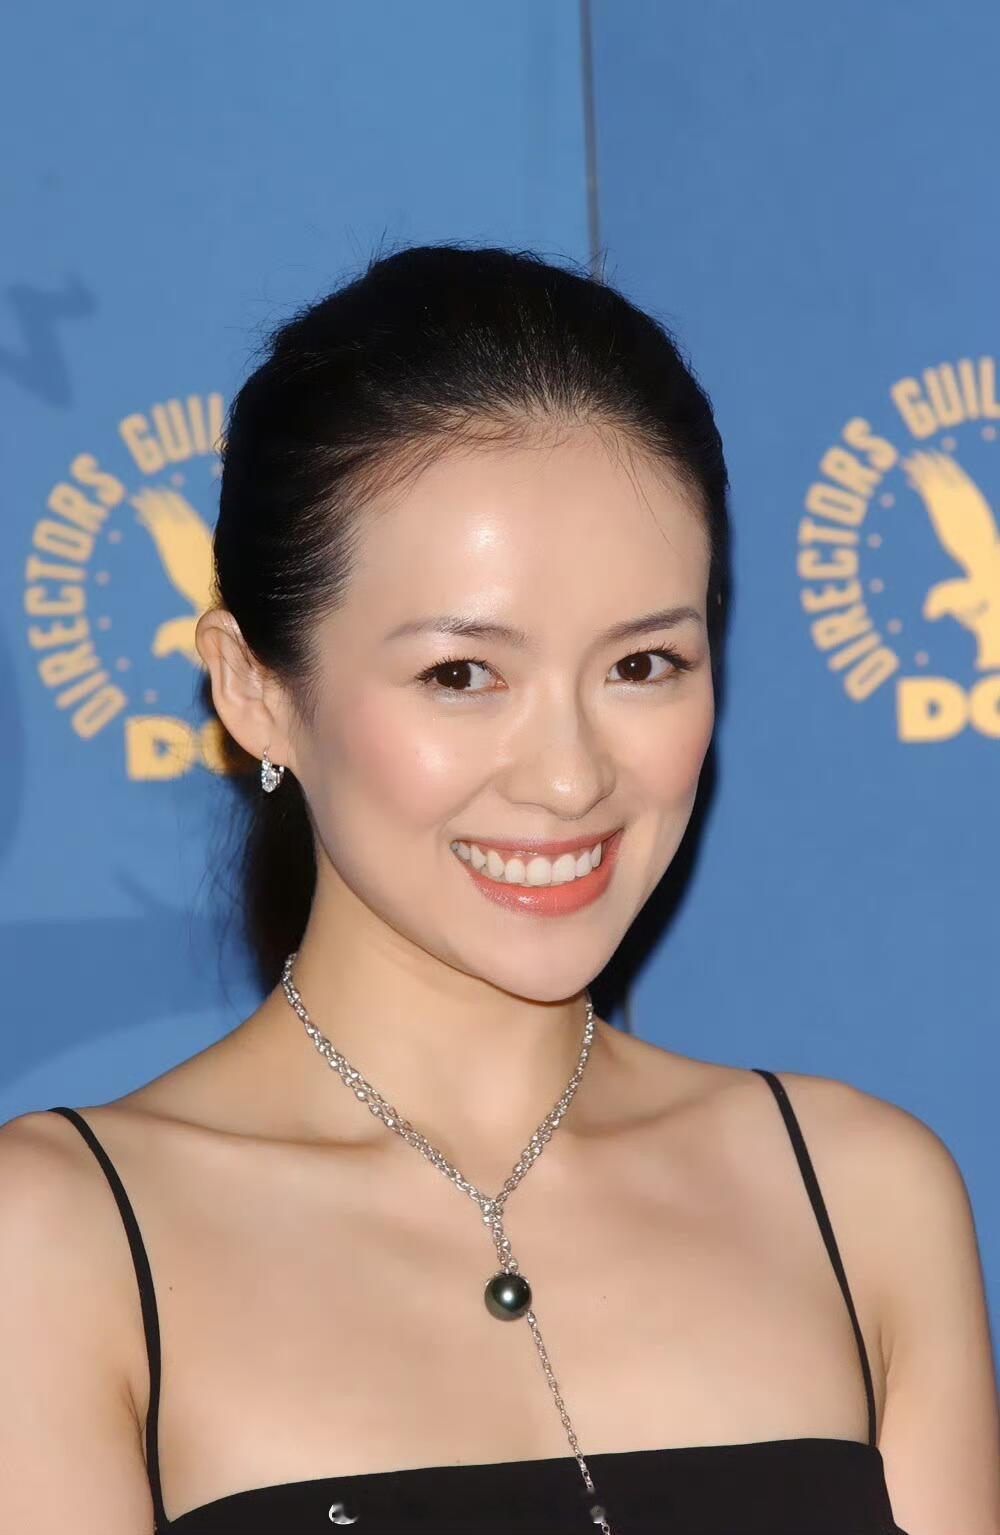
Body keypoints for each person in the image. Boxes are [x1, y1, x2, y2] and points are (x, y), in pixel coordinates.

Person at [1, 244, 997, 1535]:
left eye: (642, 665)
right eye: (462, 676)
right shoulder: (60, 1241)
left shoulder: (864, 1200)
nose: (572, 778)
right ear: (255, 690)